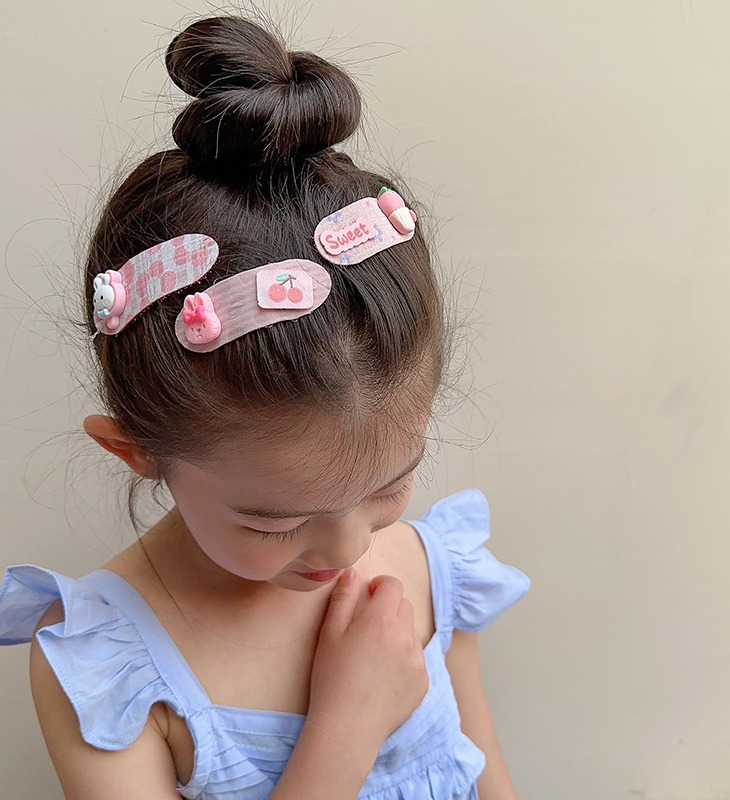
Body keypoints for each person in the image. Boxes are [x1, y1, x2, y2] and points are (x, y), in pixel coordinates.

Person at [0, 15, 529, 800]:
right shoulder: (106, 667)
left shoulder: (427, 565)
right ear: (137, 450)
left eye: (389, 487)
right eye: (274, 523)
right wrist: (347, 728)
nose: (350, 548)